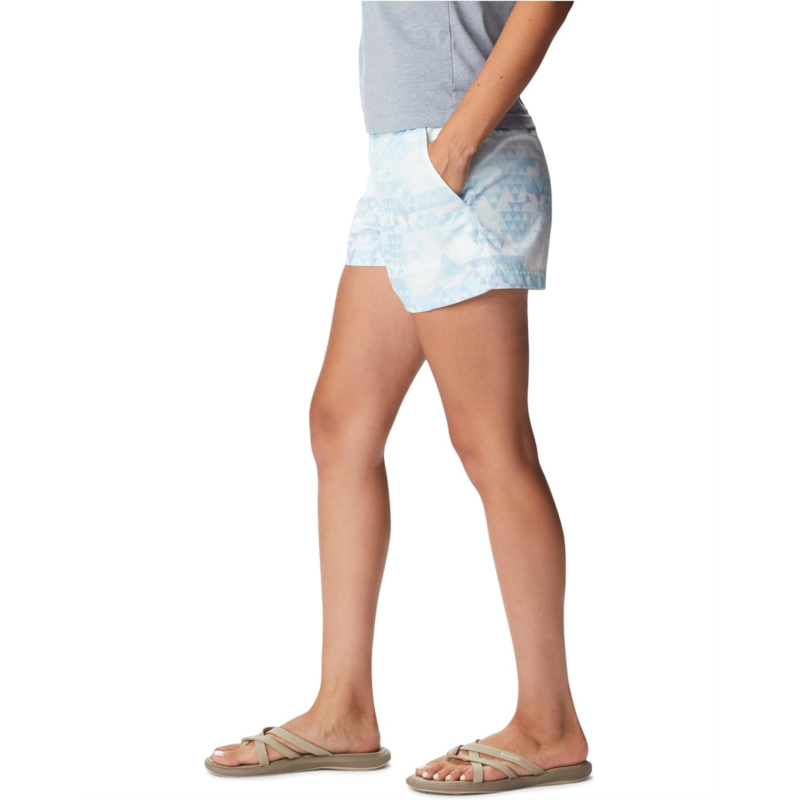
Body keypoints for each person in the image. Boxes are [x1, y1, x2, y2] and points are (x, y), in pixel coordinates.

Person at [205, 1, 590, 794]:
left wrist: (456, 144)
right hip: (402, 164)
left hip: (460, 156)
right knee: (340, 425)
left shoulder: (456, 149)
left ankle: (549, 723)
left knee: (491, 442)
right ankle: (342, 709)